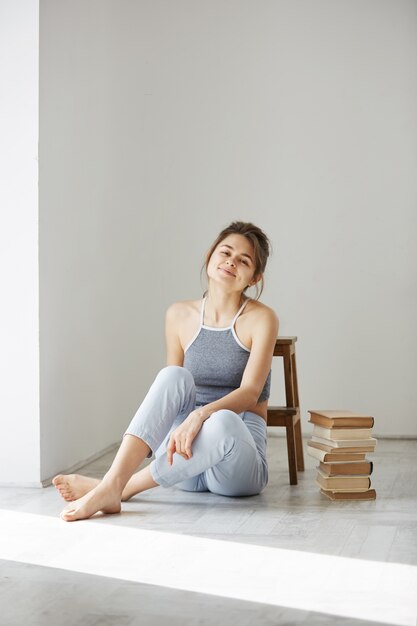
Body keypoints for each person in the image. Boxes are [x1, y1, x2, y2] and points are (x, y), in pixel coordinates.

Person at [53, 221, 279, 521]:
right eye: (225, 252)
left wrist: (200, 415)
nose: (231, 262)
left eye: (244, 260)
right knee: (173, 376)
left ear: (255, 277)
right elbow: (169, 398)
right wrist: (188, 422)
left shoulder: (262, 319)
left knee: (222, 421)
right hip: (183, 458)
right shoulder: (178, 314)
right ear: (210, 256)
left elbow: (251, 393)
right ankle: (113, 481)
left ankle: (117, 488)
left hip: (235, 465)